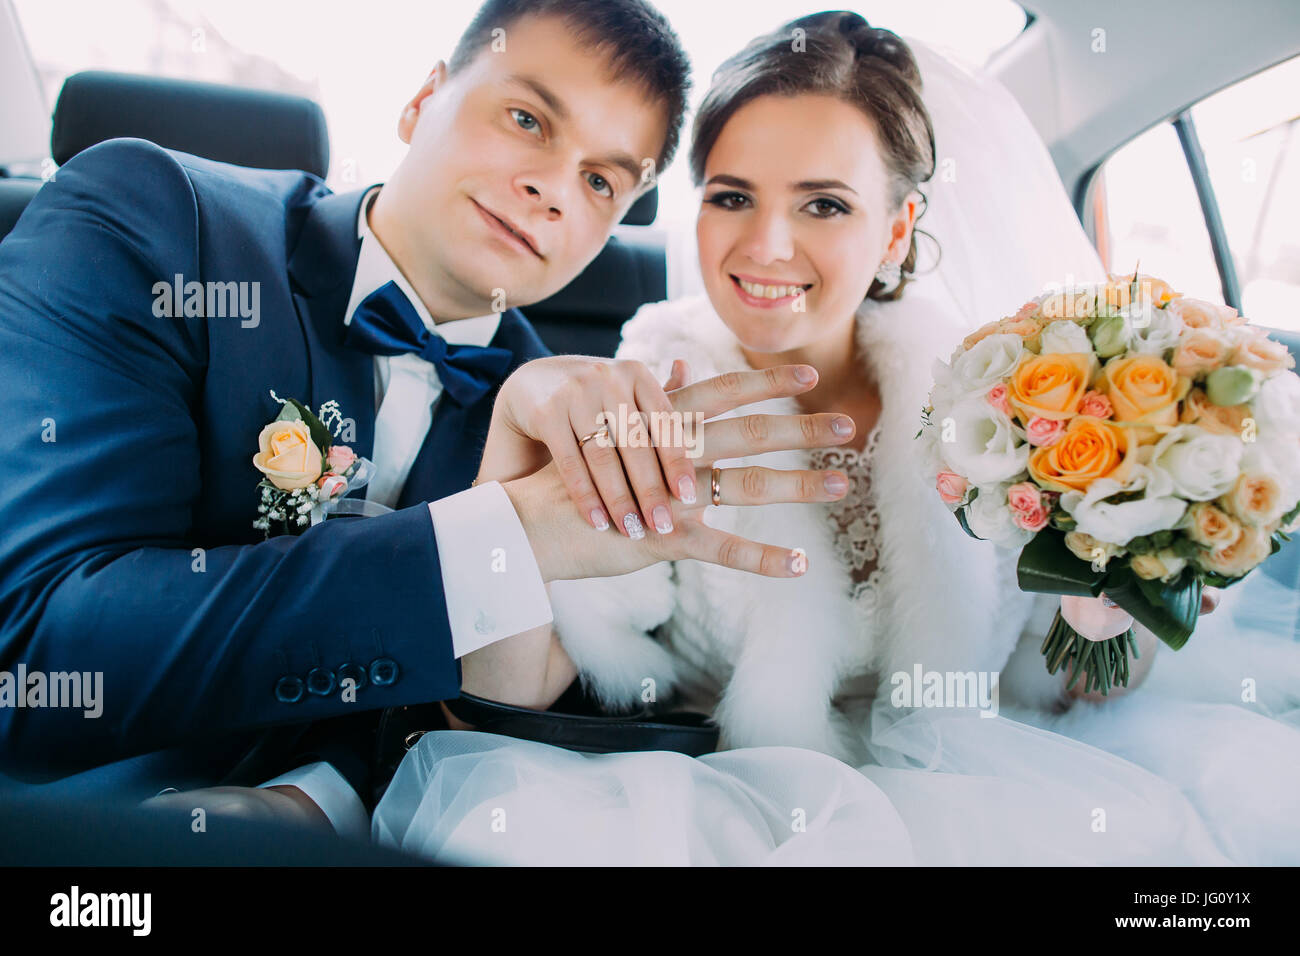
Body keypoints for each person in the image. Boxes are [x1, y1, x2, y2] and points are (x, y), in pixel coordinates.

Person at [371, 11, 1300, 865]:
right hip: (728, 799)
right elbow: (514, 694)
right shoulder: (658, 382)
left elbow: (1051, 672)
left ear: (896, 228)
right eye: (731, 197)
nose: (766, 246)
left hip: (984, 787)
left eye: (824, 205)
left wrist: (1123, 600)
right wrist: (511, 483)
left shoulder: (1014, 400)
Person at [0, 0, 859, 836]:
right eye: (527, 119)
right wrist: (492, 539)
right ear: (422, 100)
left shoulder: (556, 412)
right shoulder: (153, 221)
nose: (552, 189)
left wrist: (322, 798)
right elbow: (43, 652)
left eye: (601, 180)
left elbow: (493, 730)